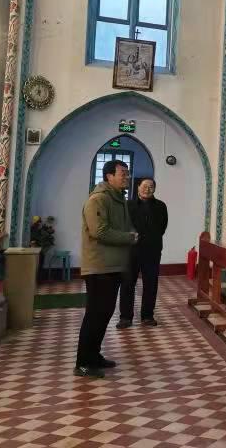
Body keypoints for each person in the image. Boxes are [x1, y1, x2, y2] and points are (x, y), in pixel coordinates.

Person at [75, 160, 138, 378]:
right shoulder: (98, 200)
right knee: (95, 315)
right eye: (122, 173)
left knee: (104, 314)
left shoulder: (119, 200)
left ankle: (94, 355)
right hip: (99, 267)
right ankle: (83, 362)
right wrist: (129, 237)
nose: (126, 177)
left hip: (114, 266)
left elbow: (125, 226)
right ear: (109, 176)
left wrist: (130, 234)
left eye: (127, 173)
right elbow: (99, 231)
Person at [117, 178, 168, 329]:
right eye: (144, 186)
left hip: (152, 251)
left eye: (151, 186)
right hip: (131, 250)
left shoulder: (160, 206)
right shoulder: (128, 205)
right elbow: (123, 225)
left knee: (151, 284)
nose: (148, 189)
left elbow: (162, 227)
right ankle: (125, 317)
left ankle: (147, 316)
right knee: (127, 284)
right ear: (138, 187)